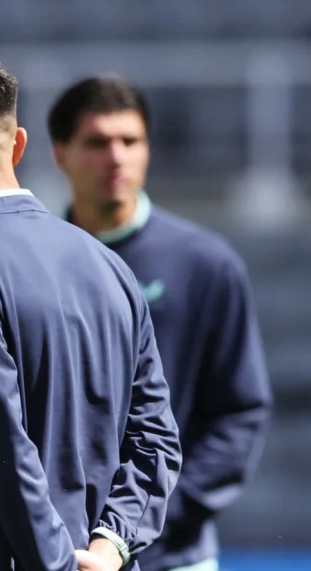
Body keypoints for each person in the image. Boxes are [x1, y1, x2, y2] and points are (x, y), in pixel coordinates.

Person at [0, 56, 183, 571]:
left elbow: (2, 450)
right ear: (18, 145)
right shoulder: (108, 263)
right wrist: (109, 548)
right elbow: (156, 437)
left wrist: (57, 563)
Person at [48, 76, 273, 571]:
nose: (117, 157)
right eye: (97, 142)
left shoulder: (206, 264)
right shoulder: (35, 265)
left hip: (173, 557)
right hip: (63, 555)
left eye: (131, 141)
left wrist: (154, 514)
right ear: (59, 153)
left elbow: (241, 411)